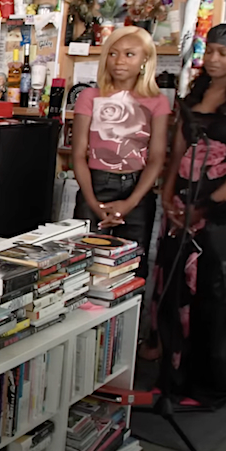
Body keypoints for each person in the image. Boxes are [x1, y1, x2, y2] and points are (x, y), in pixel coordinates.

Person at [152, 25, 226, 409]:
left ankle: (209, 388)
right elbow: (177, 151)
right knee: (174, 292)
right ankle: (173, 380)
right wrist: (168, 196)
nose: (213, 59)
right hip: (182, 204)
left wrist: (204, 207)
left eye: (222, 53)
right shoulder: (195, 95)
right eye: (210, 51)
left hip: (224, 212)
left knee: (216, 297)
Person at [71, 26, 169, 282]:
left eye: (129, 54)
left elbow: (157, 157)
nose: (119, 62)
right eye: (113, 54)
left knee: (133, 269)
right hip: (96, 185)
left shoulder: (157, 101)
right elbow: (78, 153)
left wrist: (131, 202)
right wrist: (93, 202)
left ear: (145, 59)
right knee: (84, 266)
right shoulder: (89, 97)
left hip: (137, 191)